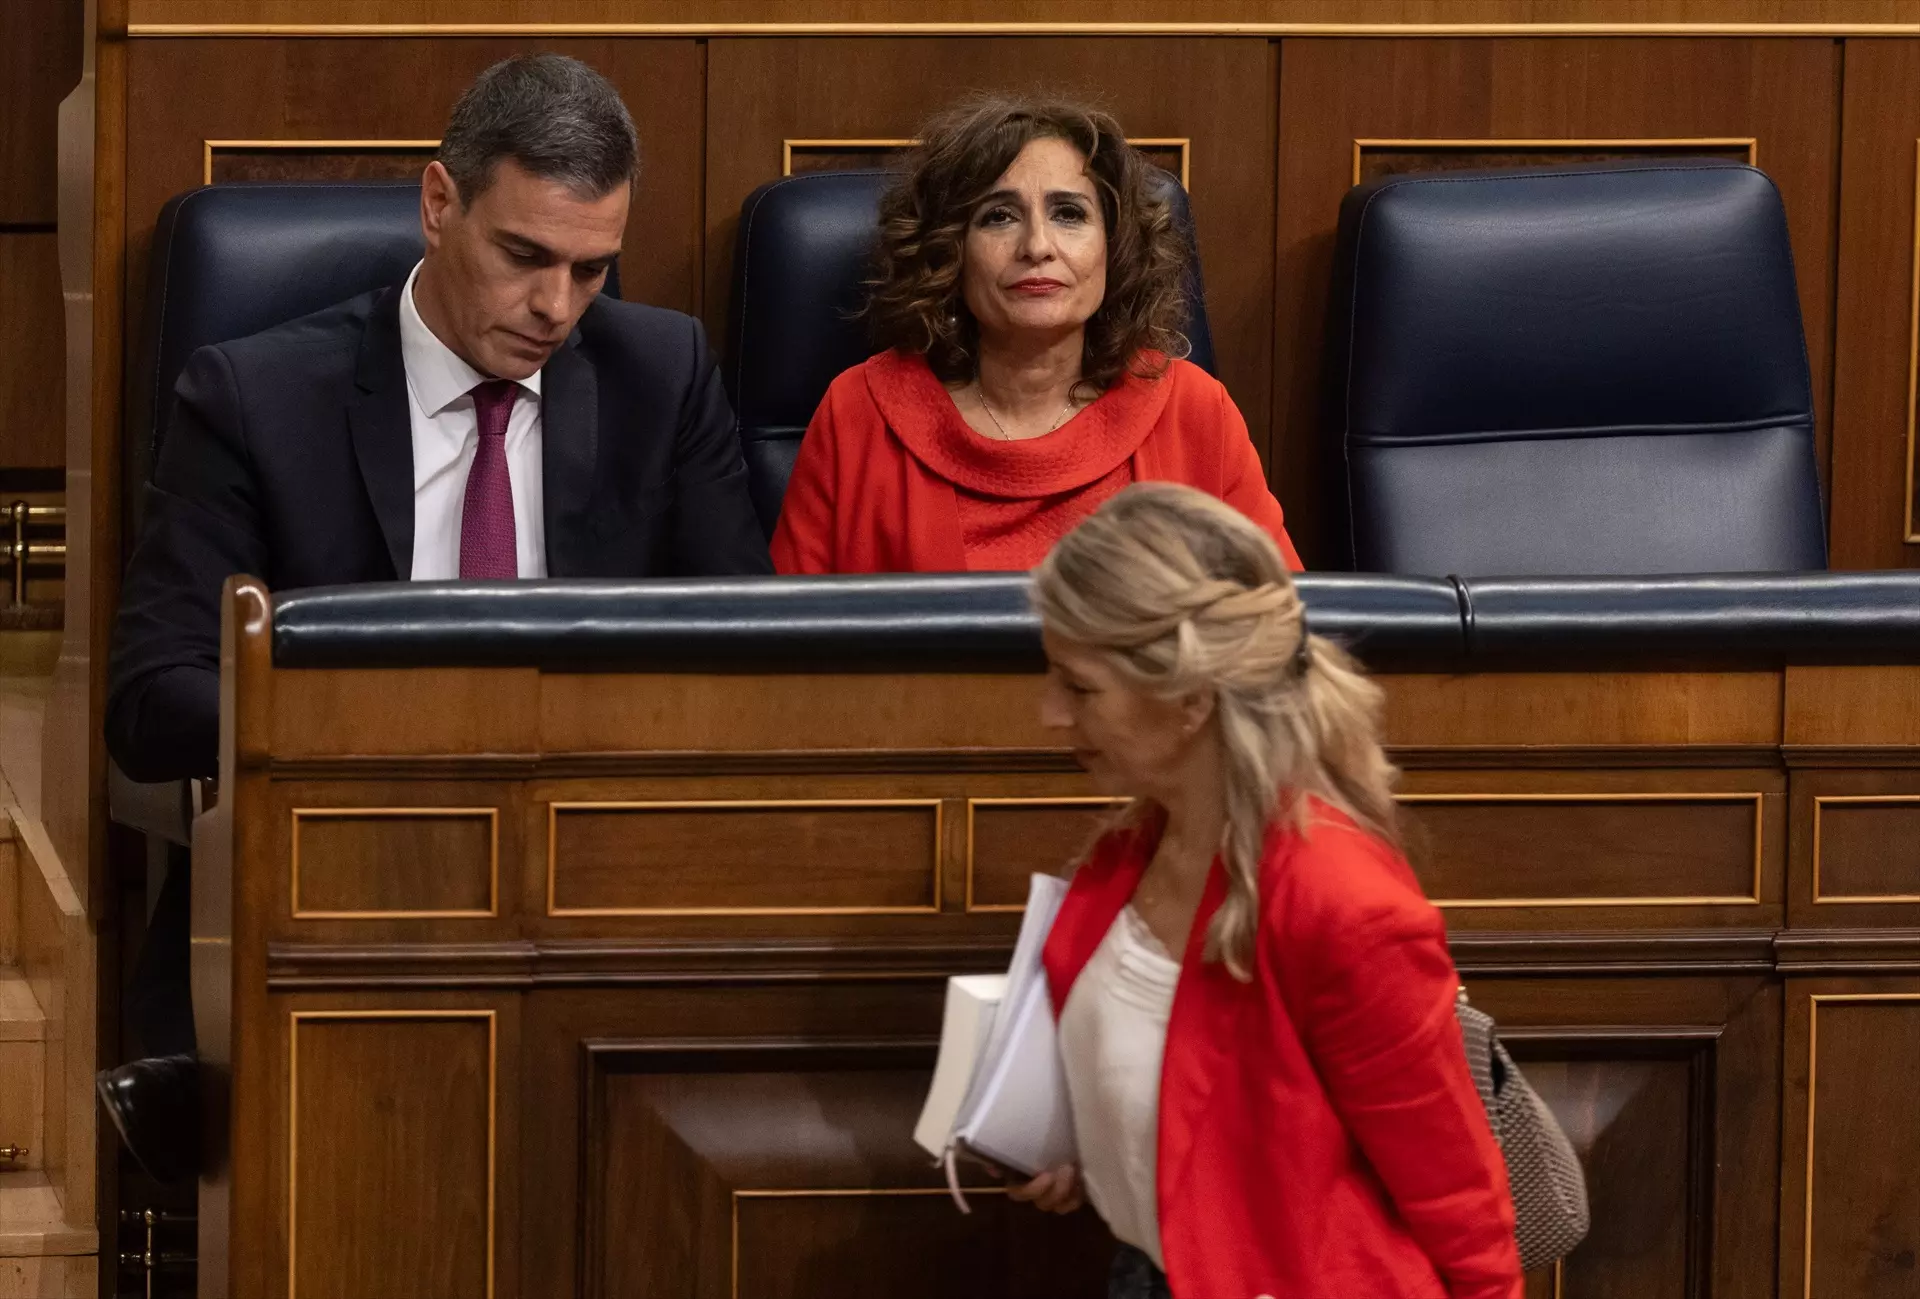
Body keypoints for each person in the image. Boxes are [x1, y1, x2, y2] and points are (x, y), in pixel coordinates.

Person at [99, 52, 771, 1183]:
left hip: (596, 891)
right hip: (340, 882)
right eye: (524, 257)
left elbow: (744, 664)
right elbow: (150, 697)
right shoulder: (255, 397)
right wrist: (400, 734)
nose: (556, 308)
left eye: (592, 270)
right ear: (439, 203)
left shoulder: (663, 373)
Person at [1016, 482, 1521, 1299]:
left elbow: (1461, 1202)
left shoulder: (1342, 902)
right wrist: (1088, 1144)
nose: (1048, 713)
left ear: (1187, 697)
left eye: (1077, 687)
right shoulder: (1130, 851)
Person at [770, 95, 1300, 575]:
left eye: (1069, 214)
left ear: (1114, 249)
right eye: (999, 217)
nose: (1037, 246)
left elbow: (1279, 632)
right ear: (949, 252)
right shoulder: (858, 413)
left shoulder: (1194, 410)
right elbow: (786, 652)